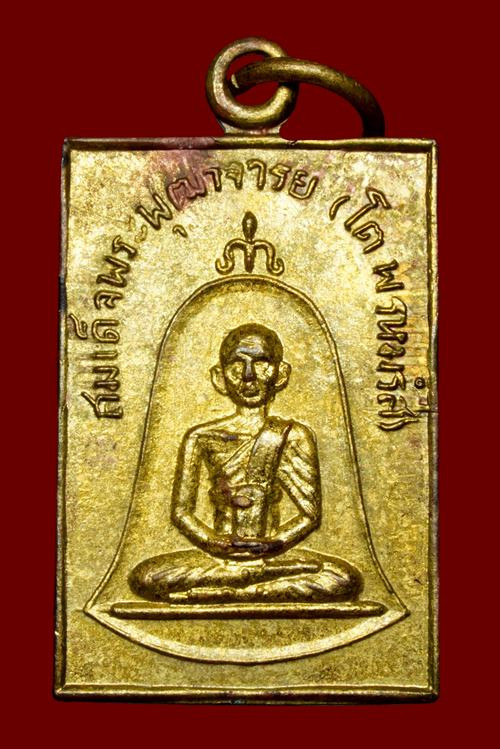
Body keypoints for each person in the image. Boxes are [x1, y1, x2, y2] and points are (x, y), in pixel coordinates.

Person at [129, 323, 362, 603]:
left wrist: (274, 543)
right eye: (237, 366)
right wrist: (213, 542)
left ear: (280, 373)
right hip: (219, 556)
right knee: (146, 577)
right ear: (219, 377)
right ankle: (252, 586)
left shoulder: (293, 435)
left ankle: (233, 588)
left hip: (271, 555)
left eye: (261, 363)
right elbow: (181, 513)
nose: (249, 376)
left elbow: (310, 516)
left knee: (343, 578)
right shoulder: (201, 436)